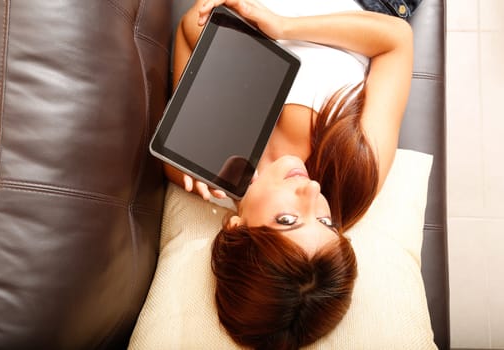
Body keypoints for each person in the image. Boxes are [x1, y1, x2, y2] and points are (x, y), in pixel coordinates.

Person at [164, 0, 413, 348]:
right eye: (327, 223)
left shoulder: (200, 163)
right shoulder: (352, 177)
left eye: (287, 219)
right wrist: (283, 28)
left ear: (236, 229)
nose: (312, 190)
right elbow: (396, 40)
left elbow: (193, 25)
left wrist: (194, 131)